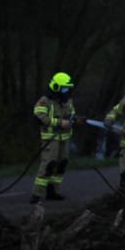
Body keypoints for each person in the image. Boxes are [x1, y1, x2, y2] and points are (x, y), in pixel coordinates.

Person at [30, 72, 78, 203]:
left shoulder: (68, 100)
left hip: (65, 138)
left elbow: (72, 113)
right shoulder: (45, 101)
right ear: (56, 87)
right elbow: (39, 115)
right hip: (51, 139)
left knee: (61, 164)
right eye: (64, 88)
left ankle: (53, 192)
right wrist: (58, 122)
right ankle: (37, 194)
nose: (67, 91)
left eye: (68, 88)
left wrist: (74, 120)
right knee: (48, 165)